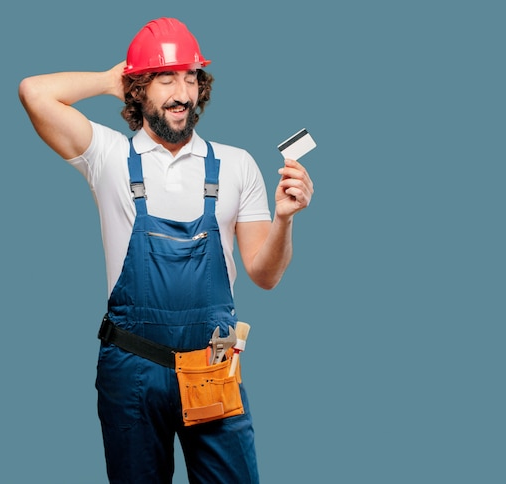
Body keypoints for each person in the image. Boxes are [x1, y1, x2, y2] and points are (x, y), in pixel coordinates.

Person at [19, 17, 313, 484]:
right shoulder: (108, 157)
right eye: (165, 77)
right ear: (137, 88)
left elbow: (265, 273)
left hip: (212, 366)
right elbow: (34, 92)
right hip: (132, 370)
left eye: (191, 77)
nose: (183, 92)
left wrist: (284, 220)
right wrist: (107, 80)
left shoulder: (237, 166)